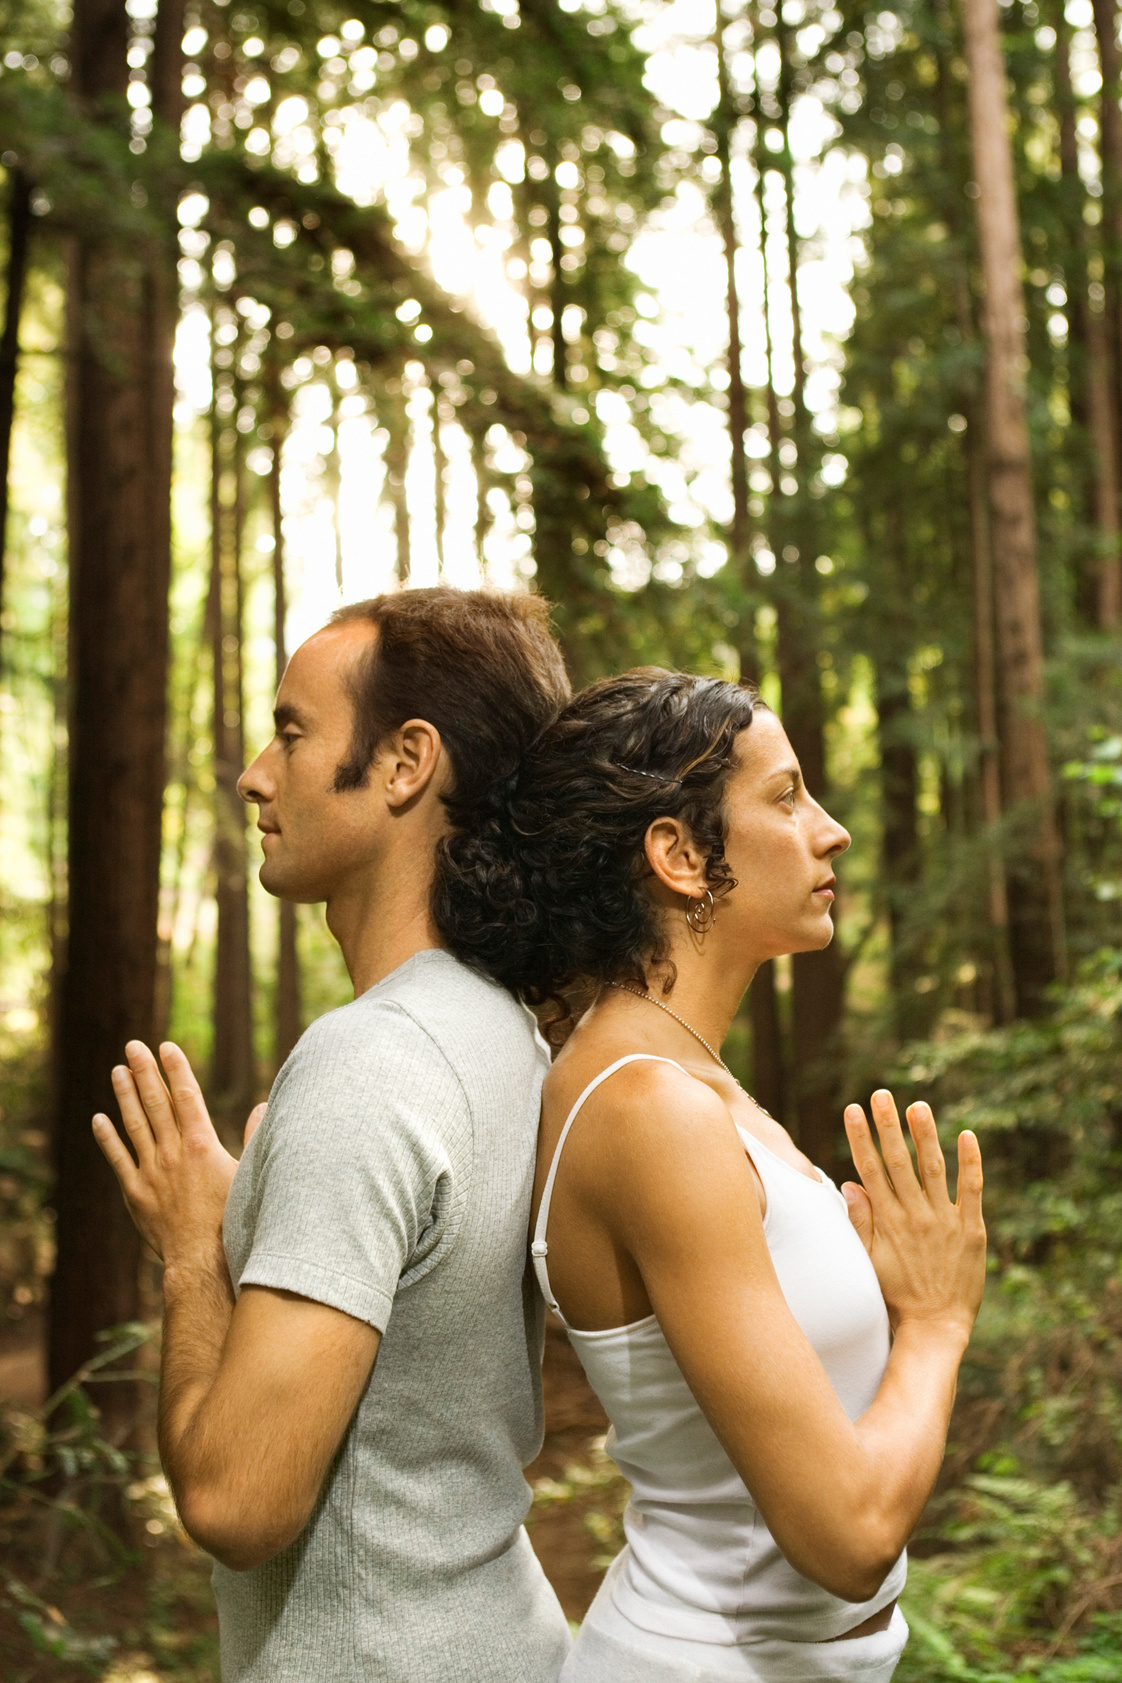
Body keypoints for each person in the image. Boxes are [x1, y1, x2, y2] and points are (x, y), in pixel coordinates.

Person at [441, 668, 987, 1683]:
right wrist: (937, 1322)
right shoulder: (653, 1110)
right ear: (680, 856)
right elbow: (849, 1533)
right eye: (784, 797)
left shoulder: (683, 1081)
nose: (832, 832)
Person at [92, 587, 574, 1683]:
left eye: (294, 732)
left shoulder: (374, 1063)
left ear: (406, 764)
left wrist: (188, 1248)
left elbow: (235, 1500)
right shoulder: (504, 1027)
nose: (259, 772)